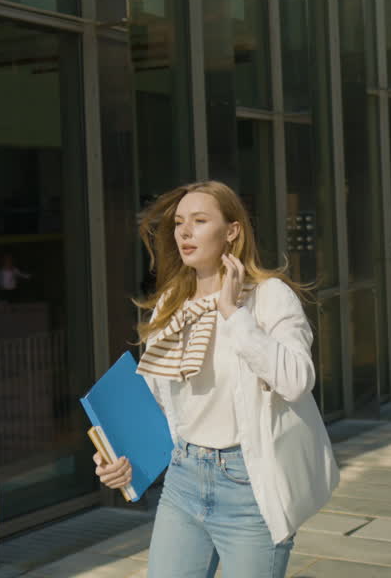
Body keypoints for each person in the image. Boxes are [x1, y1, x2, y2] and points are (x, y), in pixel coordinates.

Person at [94, 181, 339, 578]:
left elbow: (297, 380)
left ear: (232, 231)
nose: (184, 232)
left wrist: (233, 314)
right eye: (178, 223)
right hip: (183, 478)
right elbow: (157, 407)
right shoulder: (170, 305)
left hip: (249, 485)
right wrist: (119, 457)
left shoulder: (268, 296)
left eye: (199, 220)